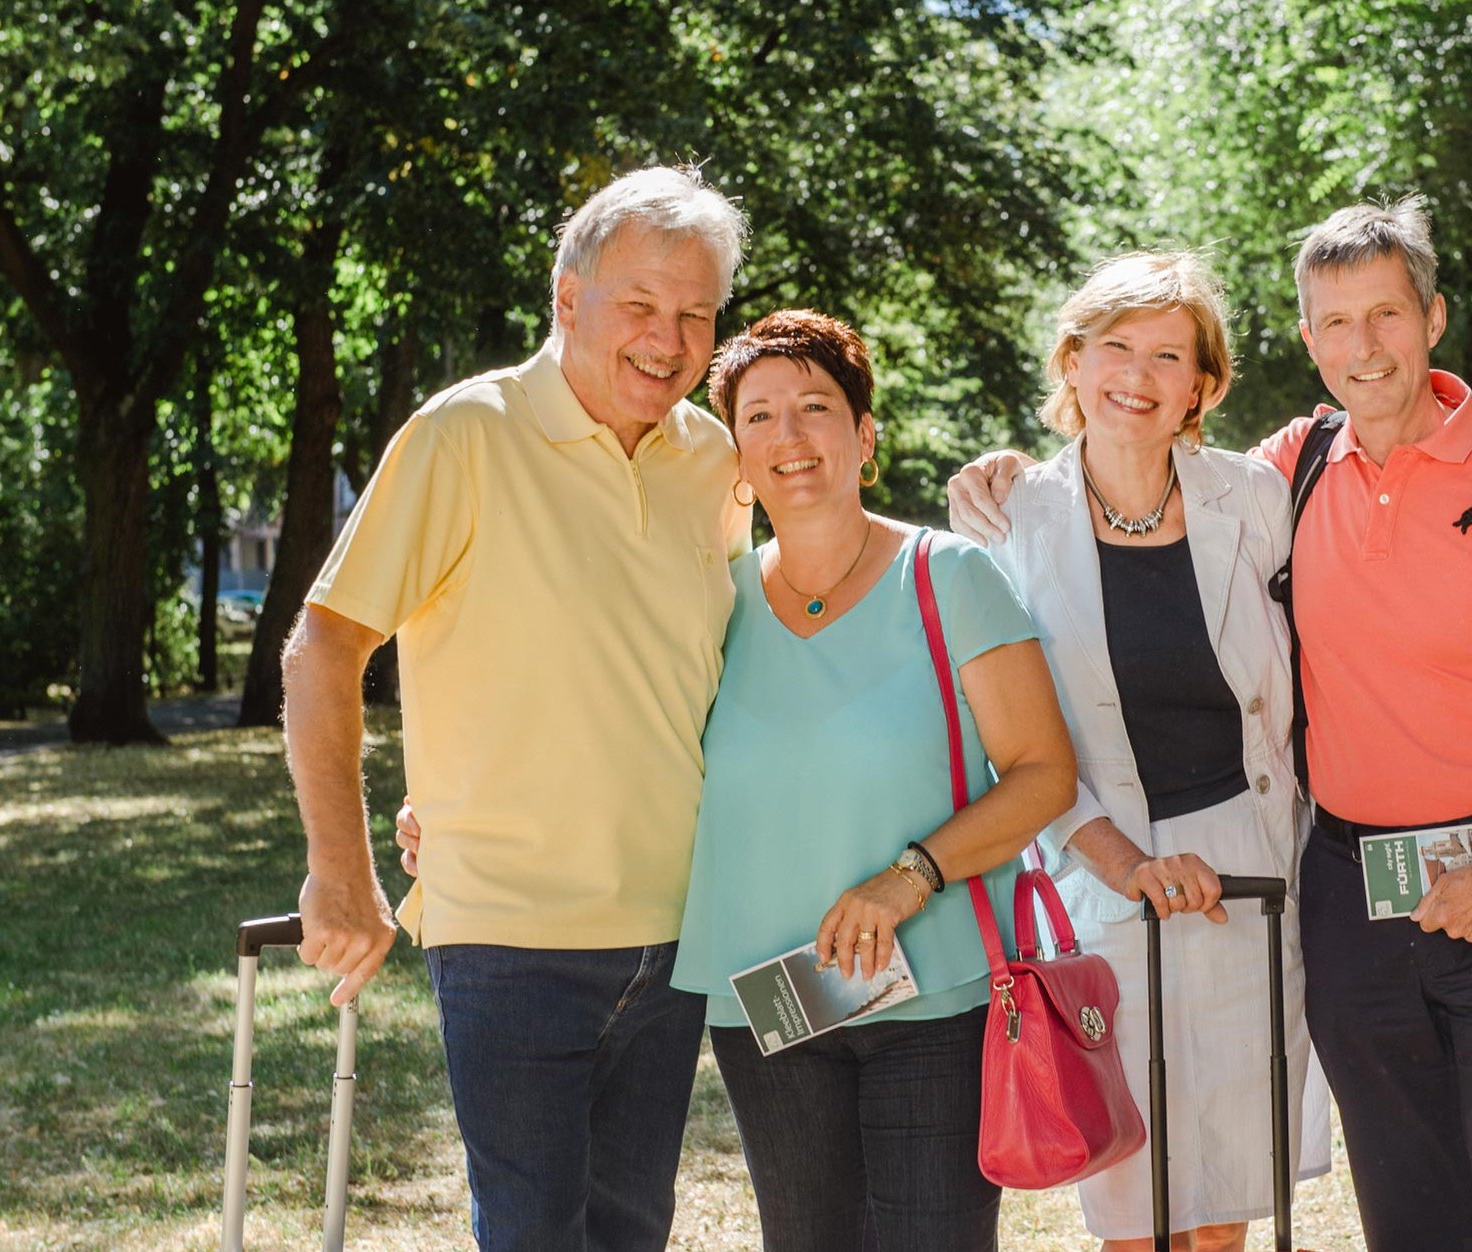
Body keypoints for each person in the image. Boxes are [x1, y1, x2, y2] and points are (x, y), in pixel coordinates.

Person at [947, 197, 1472, 1252]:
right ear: (1308, 339)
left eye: (1387, 316)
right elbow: (1120, 487)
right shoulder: (1292, 472)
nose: (1364, 348)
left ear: (1433, 317)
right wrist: (999, 472)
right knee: (1406, 1206)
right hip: (1350, 899)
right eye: (1335, 322)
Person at [403, 309, 1079, 1251]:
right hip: (775, 1002)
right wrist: (454, 797)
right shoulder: (716, 600)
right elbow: (613, 720)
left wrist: (909, 876)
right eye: (757, 418)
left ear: (864, 434)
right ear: (735, 455)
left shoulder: (948, 576)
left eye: (815, 408)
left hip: (936, 992)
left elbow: (1045, 774)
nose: (788, 437)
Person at [280, 165, 753, 1251]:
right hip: (511, 933)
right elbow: (326, 647)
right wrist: (340, 869)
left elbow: (705, 663)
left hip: (677, 931)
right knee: (535, 1230)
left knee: (634, 1229)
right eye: (639, 304)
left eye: (694, 313)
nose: (668, 338)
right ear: (568, 297)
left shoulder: (715, 459)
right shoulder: (466, 435)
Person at [977, 252, 1330, 1252]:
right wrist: (1123, 863)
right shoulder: (1011, 520)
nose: (1136, 374)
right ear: (1074, 363)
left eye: (1167, 354)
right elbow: (1016, 741)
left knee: (1218, 1205)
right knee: (1131, 1204)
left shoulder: (1256, 500)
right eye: (1114, 347)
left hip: (1245, 864)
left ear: (1201, 386)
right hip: (1103, 868)